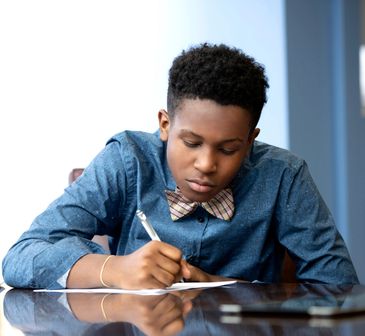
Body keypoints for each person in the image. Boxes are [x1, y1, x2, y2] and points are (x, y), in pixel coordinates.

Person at [2, 43, 358, 289]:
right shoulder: (127, 160)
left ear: (250, 140)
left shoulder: (284, 176)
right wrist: (115, 269)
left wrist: (220, 285)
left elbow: (339, 286)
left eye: (229, 149)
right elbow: (20, 257)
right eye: (191, 143)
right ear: (165, 125)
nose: (206, 164)